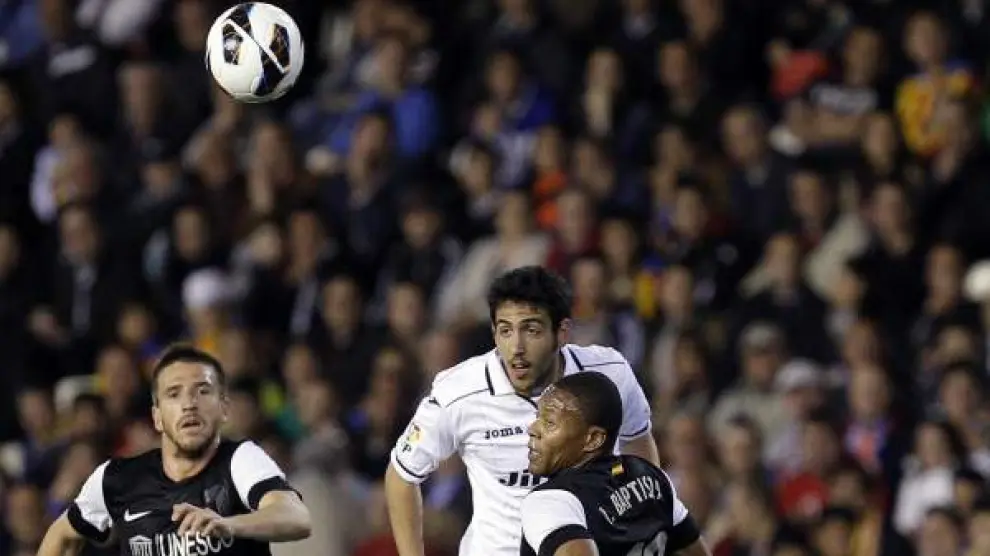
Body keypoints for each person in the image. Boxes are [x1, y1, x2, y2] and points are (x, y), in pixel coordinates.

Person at [386, 266, 659, 556]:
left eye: (531, 330)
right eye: (505, 330)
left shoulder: (611, 373)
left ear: (562, 332)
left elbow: (638, 445)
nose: (516, 347)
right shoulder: (458, 392)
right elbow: (401, 476)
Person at [36, 345, 312, 556]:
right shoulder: (116, 478)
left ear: (224, 409)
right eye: (174, 393)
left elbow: (296, 516)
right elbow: (63, 536)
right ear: (156, 417)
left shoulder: (239, 459)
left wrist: (231, 525)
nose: (189, 404)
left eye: (202, 391)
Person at [521, 372, 710, 556]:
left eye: (549, 423)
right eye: (537, 417)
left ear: (593, 439)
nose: (532, 429)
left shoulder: (552, 500)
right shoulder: (652, 475)